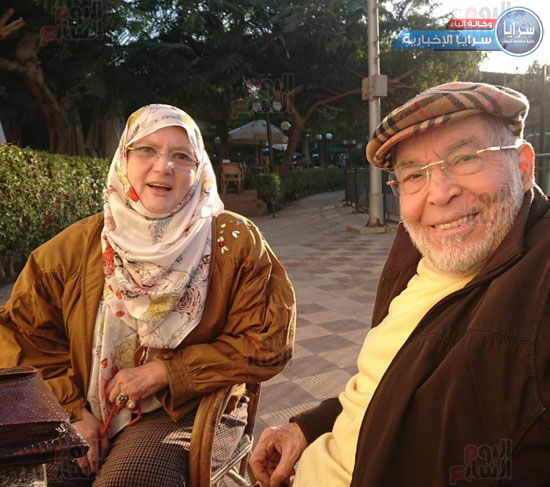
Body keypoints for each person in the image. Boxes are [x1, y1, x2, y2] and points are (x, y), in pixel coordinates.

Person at [249, 81, 550, 486]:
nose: (438, 194)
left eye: (465, 157)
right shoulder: (415, 254)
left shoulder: (538, 279)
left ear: (523, 166)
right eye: (413, 175)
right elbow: (388, 386)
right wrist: (306, 427)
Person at [0, 104, 296, 486]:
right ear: (124, 159)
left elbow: (269, 342)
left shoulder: (234, 243)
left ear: (199, 169)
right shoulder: (73, 249)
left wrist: (168, 372)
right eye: (146, 150)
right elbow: (22, 336)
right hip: (84, 405)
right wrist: (72, 411)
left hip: (189, 407)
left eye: (181, 156)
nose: (164, 166)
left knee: (129, 480)